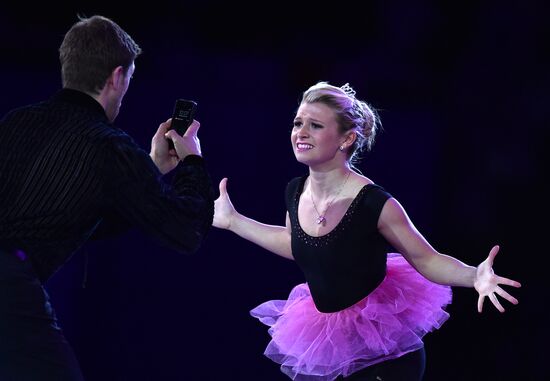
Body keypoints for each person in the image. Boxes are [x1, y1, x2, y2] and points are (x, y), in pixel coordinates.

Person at [212, 81, 521, 380]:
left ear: (346, 139)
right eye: (297, 123)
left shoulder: (374, 203)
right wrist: (233, 221)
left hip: (384, 353)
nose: (301, 133)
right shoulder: (296, 191)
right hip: (331, 344)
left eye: (315, 126)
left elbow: (426, 260)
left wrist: (473, 275)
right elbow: (297, 243)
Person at [0, 15, 214, 381]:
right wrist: (192, 160)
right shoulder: (107, 145)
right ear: (117, 77)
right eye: (129, 78)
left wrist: (150, 169)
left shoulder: (15, 121)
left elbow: (77, 215)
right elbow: (185, 230)